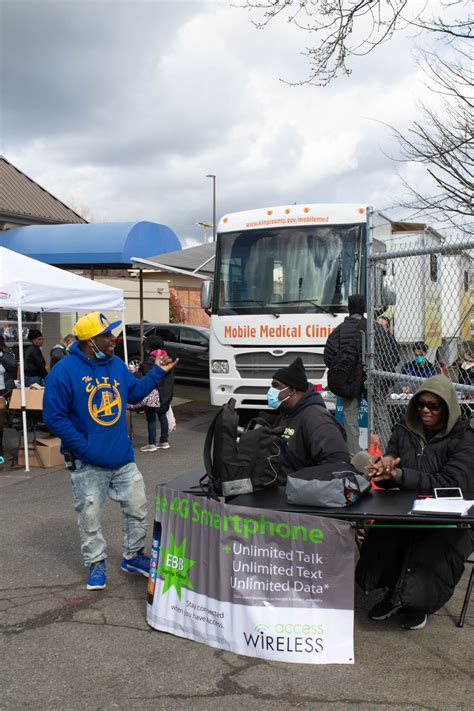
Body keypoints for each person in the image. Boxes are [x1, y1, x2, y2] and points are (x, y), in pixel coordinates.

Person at [43, 312, 178, 591]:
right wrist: (83, 448)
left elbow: (134, 394)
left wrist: (156, 373)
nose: (114, 340)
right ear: (89, 340)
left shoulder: (115, 364)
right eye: (106, 335)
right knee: (89, 516)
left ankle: (132, 556)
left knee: (138, 507)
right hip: (87, 462)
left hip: (122, 458)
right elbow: (54, 417)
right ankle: (95, 563)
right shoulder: (63, 372)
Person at [355, 374, 474, 630]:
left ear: (448, 407)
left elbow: (451, 483)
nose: (425, 410)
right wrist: (384, 471)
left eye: (434, 405)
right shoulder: (404, 428)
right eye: (421, 404)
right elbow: (392, 465)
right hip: (406, 506)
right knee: (383, 534)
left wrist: (400, 475)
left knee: (432, 544)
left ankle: (418, 603)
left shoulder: (464, 437)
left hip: (451, 513)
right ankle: (393, 593)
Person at [264, 356, 350, 483]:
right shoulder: (287, 415)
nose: (271, 391)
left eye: (276, 386)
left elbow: (337, 463)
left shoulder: (316, 419)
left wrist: (297, 482)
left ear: (292, 390)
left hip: (300, 494)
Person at [324, 294, 366, 455]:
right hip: (370, 379)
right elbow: (391, 353)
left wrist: (342, 369)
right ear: (364, 308)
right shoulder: (371, 327)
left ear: (349, 308)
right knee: (378, 415)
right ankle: (380, 451)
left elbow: (328, 355)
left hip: (348, 382)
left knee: (350, 418)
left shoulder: (339, 330)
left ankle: (354, 456)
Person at [139, 335, 174, 452]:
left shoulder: (150, 361)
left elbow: (146, 376)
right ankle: (164, 441)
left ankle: (151, 444)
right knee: (162, 415)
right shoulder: (167, 359)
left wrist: (136, 371)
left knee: (151, 418)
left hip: (153, 392)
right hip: (166, 393)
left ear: (149, 348)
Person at [0, 335, 17, 460]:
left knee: (0, 424)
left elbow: (13, 366)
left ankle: (0, 452)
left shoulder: (5, 354)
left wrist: (1, 356)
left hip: (2, 392)